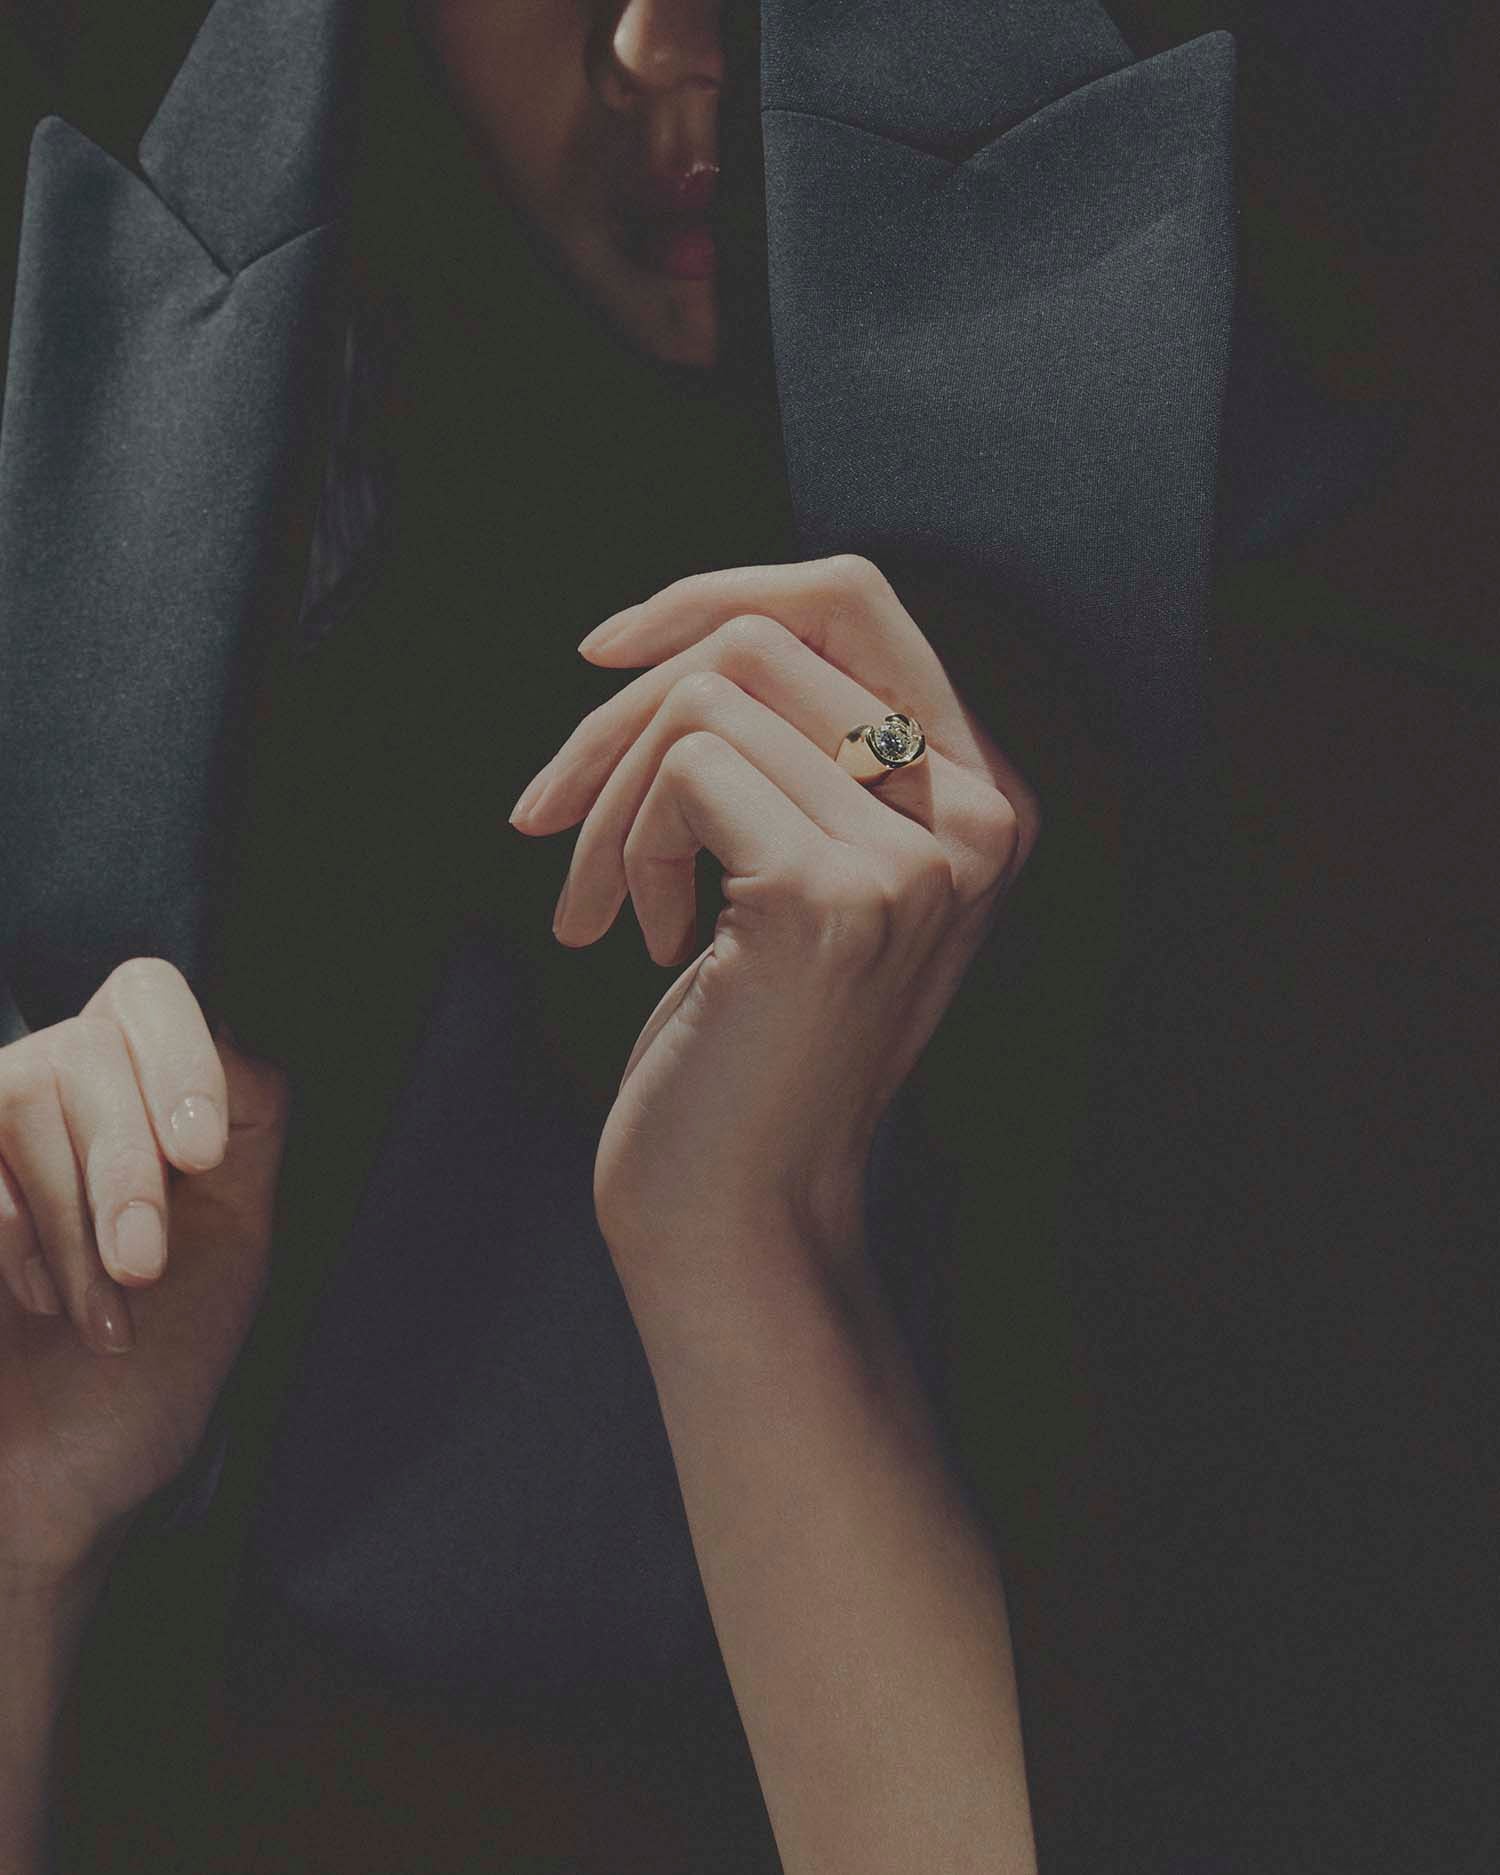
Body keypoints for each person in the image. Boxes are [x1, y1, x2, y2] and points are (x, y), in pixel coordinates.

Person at [1, 1, 1496, 1871]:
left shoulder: (1369, 775)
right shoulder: (136, 686)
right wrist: (30, 1538)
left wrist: (752, 1266)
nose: (655, 43)